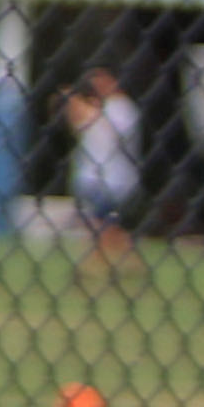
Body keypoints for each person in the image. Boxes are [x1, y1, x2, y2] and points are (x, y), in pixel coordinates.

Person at [61, 63, 143, 279]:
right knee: (106, 227)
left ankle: (91, 267)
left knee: (100, 226)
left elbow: (111, 131)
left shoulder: (121, 107)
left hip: (113, 178)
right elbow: (79, 126)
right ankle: (129, 265)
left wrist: (82, 105)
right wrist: (73, 106)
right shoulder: (101, 107)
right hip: (91, 176)